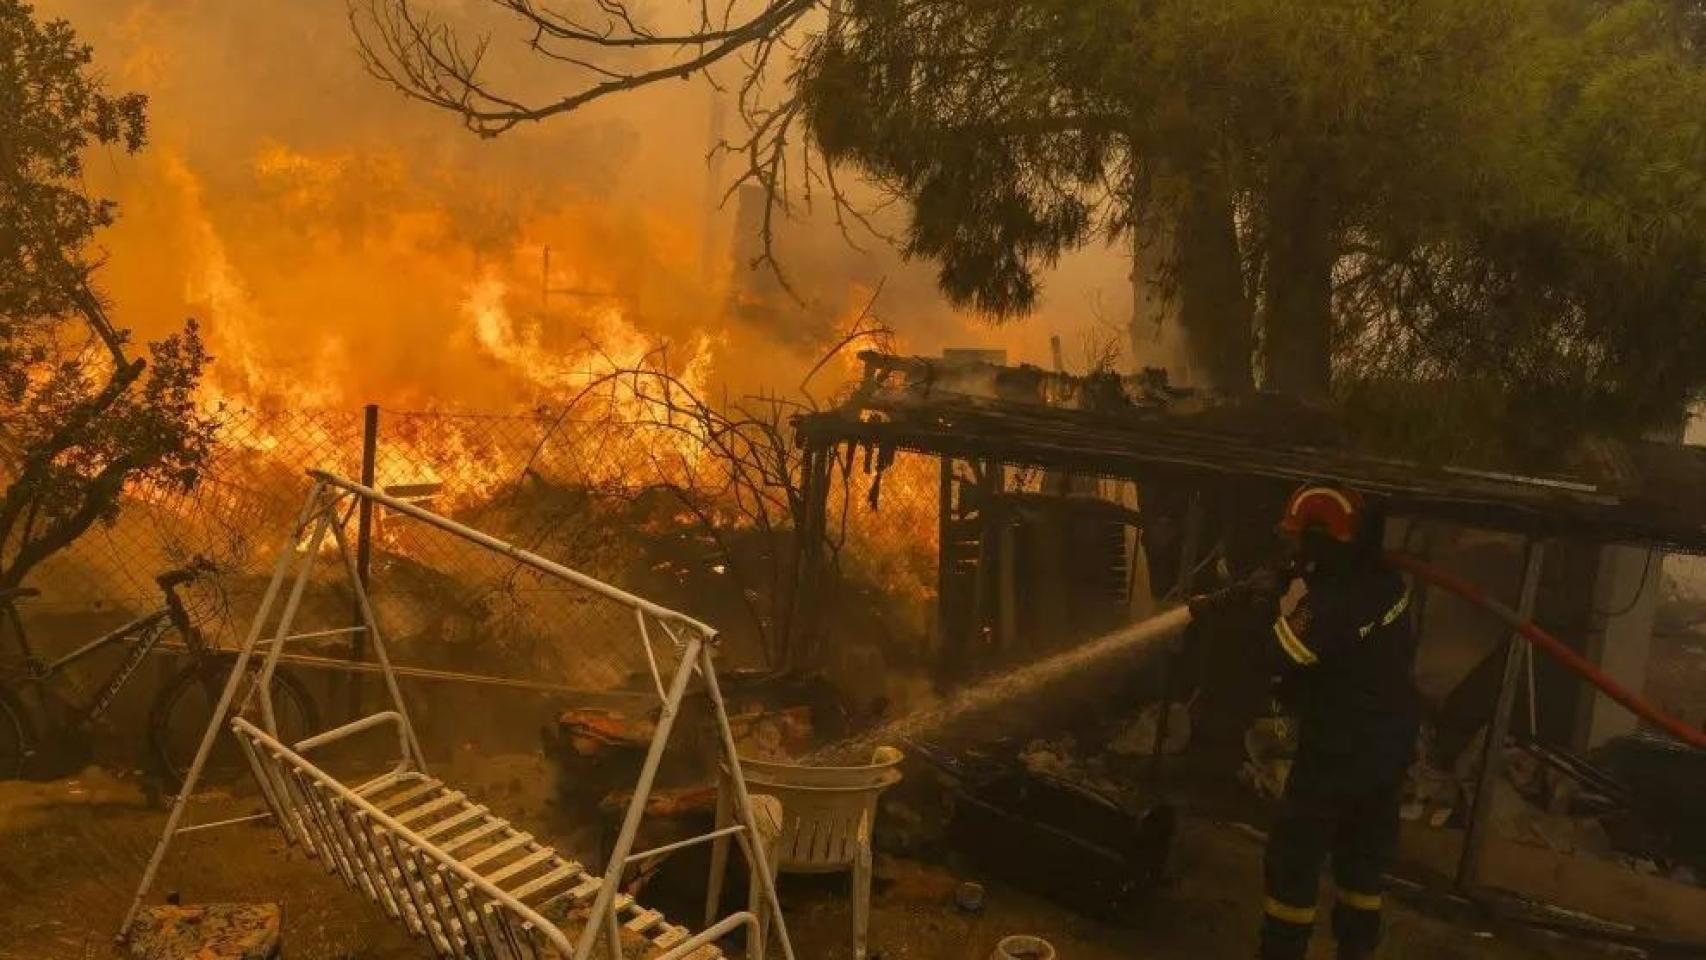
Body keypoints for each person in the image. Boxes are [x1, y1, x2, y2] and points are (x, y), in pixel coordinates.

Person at [1191, 484, 1420, 960]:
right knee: (1362, 863)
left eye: (1301, 540)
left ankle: (1282, 951)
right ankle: (1355, 952)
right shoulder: (1385, 584)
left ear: (1324, 538)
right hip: (1388, 749)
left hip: (1340, 748)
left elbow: (1276, 654)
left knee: (1295, 857)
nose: (1293, 549)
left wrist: (1263, 605)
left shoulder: (1333, 602)